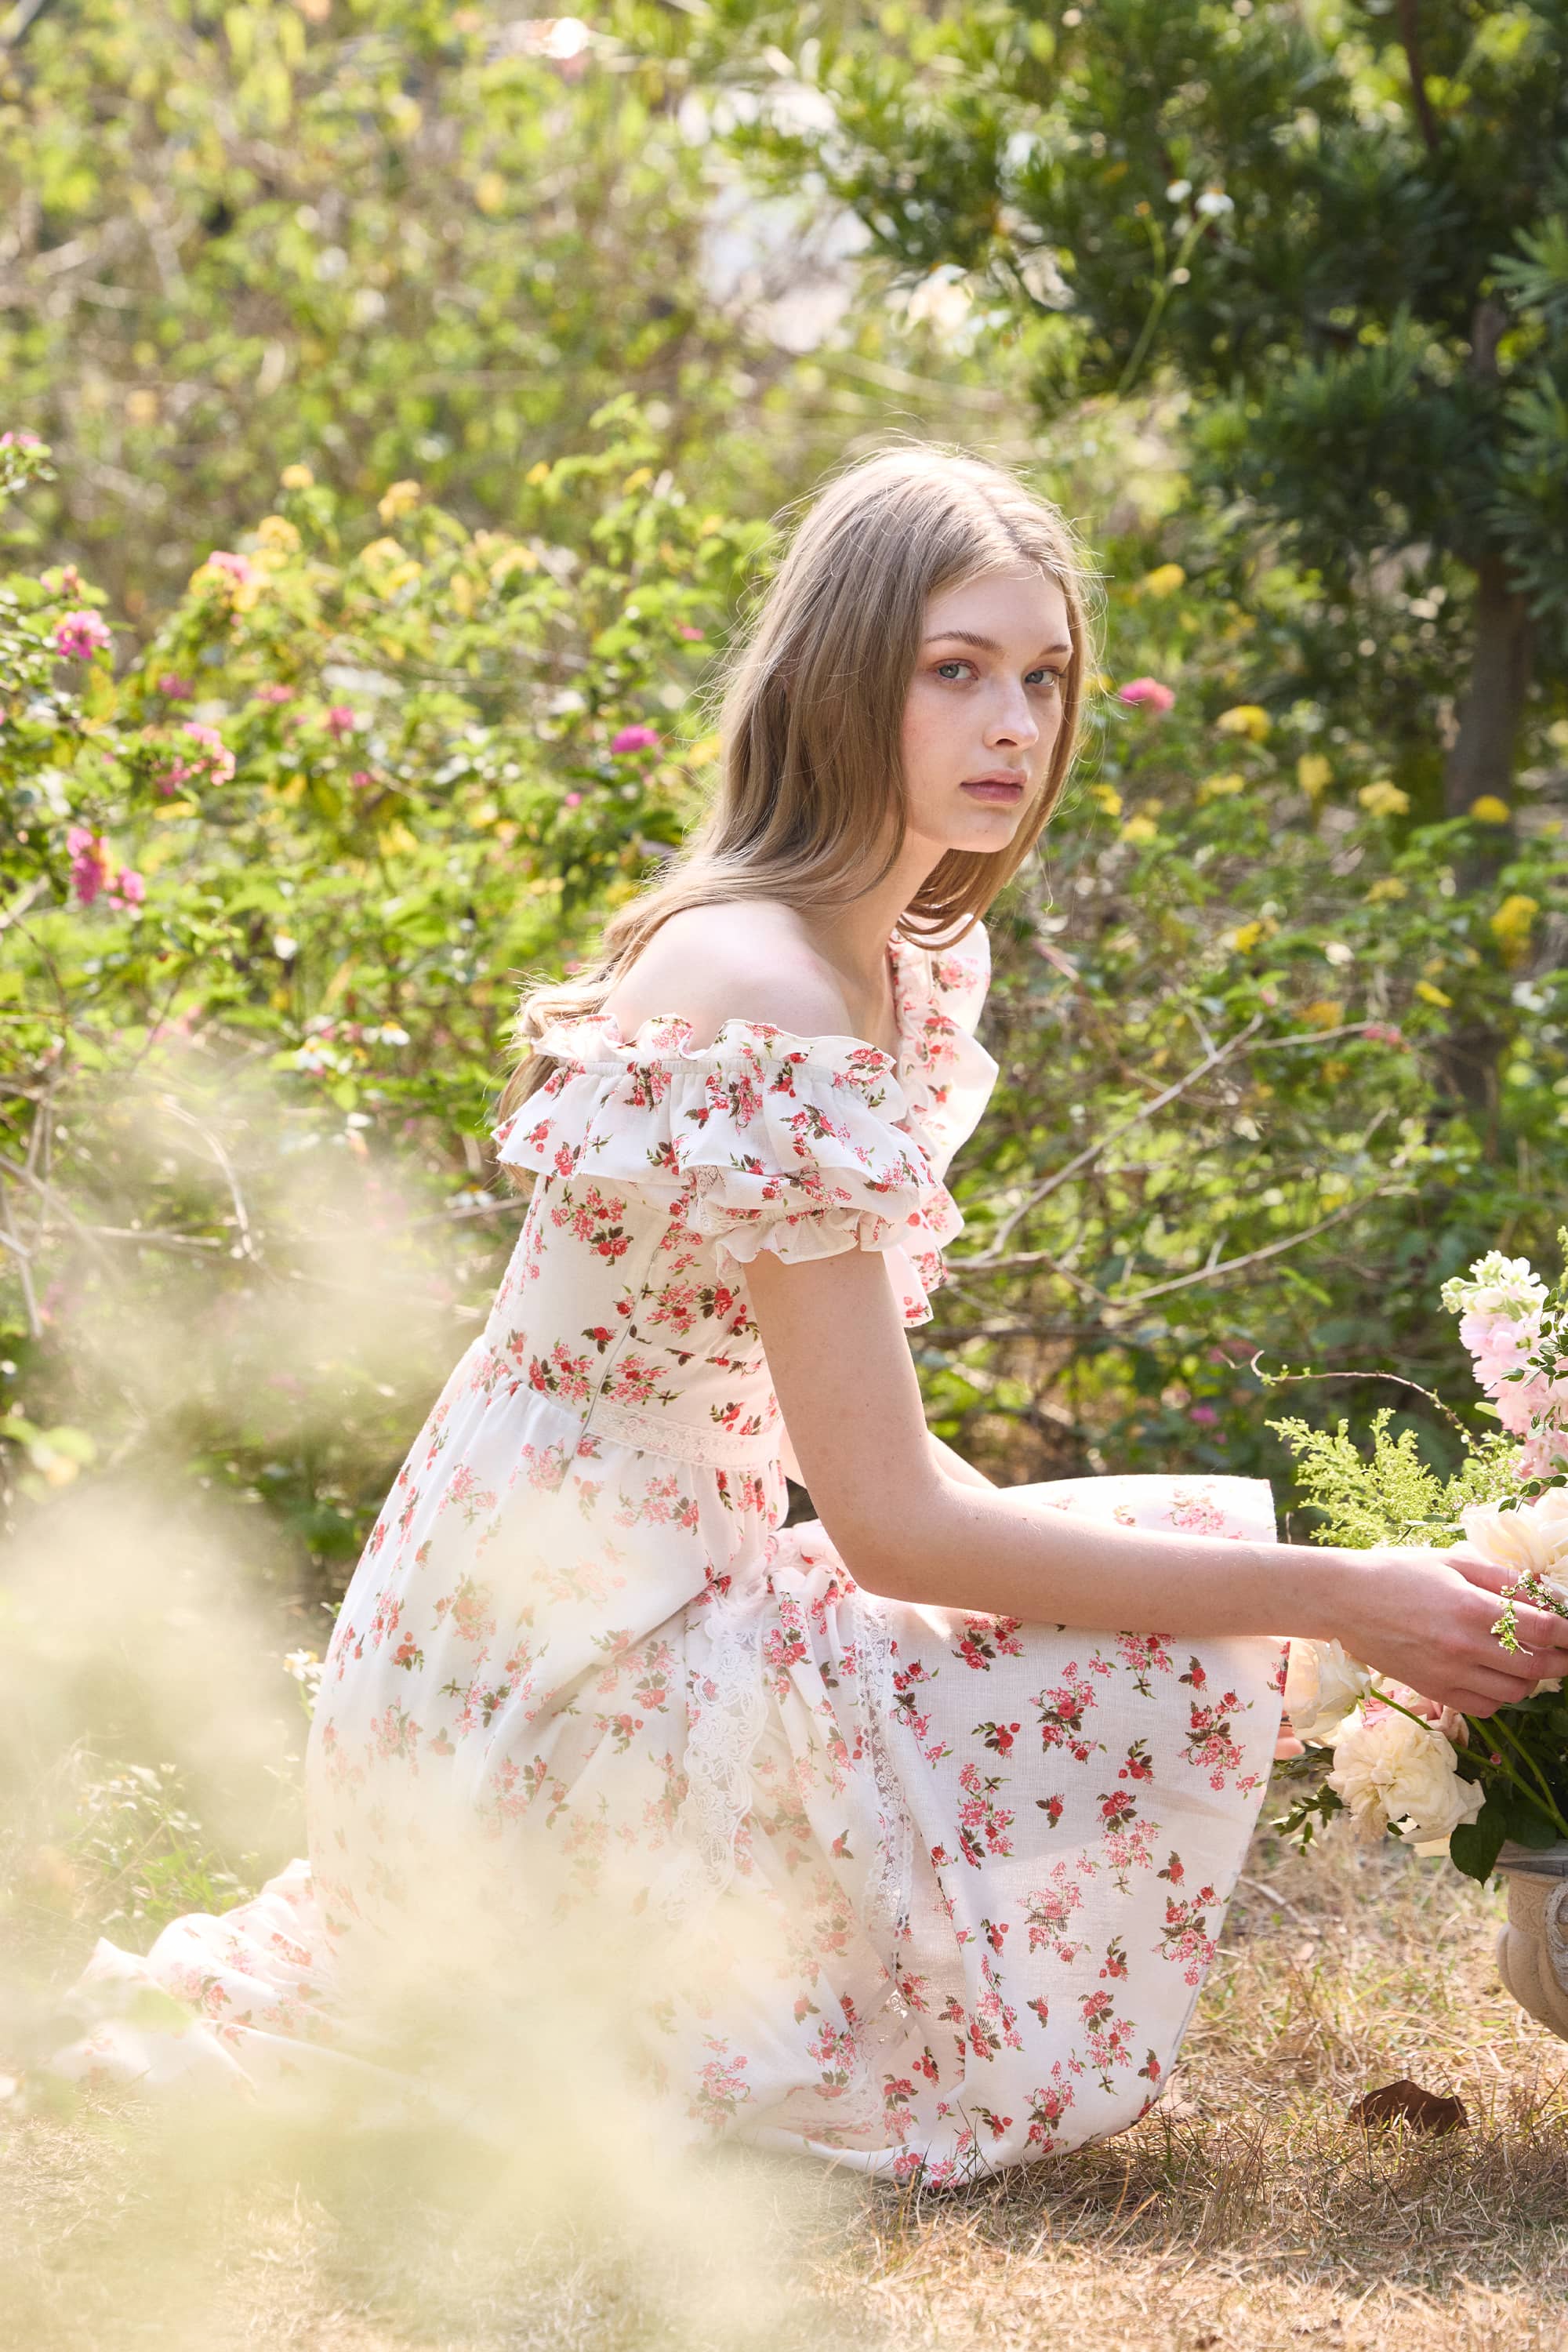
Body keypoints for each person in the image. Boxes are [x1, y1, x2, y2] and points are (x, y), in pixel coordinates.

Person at [45, 447, 1568, 2179]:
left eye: (1044, 677)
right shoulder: (759, 979)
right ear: (846, 675)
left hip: (649, 1600)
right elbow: (899, 1522)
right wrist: (1335, 1596)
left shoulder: (890, 957)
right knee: (1182, 1586)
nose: (1015, 723)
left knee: (1150, 1569)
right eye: (956, 670)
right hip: (542, 1678)